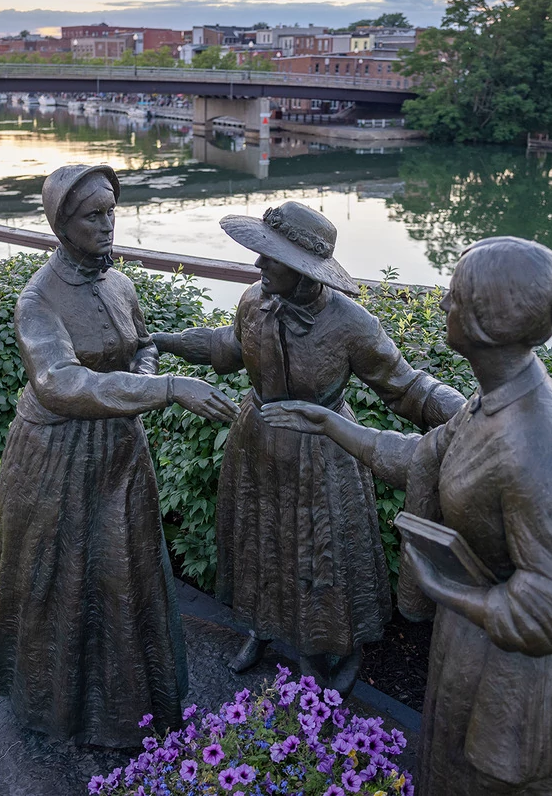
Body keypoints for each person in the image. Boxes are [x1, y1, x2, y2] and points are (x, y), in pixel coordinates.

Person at [263, 236, 552, 795]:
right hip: (477, 645)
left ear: (483, 320)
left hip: (520, 683)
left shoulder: (535, 444)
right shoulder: (493, 397)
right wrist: (331, 423)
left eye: (453, 297)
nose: (444, 306)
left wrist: (444, 587)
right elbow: (423, 456)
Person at [151, 202, 464, 694]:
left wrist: (469, 413)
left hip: (324, 452)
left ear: (301, 270)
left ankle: (333, 648)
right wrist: (165, 341)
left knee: (322, 558)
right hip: (255, 443)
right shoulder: (254, 300)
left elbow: (407, 387)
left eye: (269, 258)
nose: (258, 266)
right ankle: (262, 627)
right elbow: (229, 348)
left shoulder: (352, 323)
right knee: (258, 543)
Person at [0, 164, 236, 748]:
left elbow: (139, 347)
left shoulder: (119, 285)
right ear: (61, 224)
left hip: (121, 449)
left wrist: (149, 372)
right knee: (63, 577)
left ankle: (130, 706)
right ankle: (58, 708)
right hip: (55, 457)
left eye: (111, 211)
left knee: (125, 570)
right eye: (93, 216)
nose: (108, 224)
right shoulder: (37, 300)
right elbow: (59, 383)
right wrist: (168, 388)